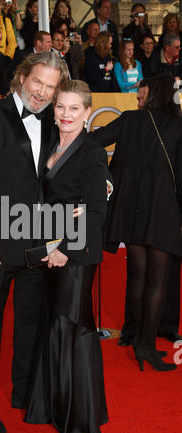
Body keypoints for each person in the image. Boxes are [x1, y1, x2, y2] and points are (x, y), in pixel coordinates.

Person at [0, 51, 68, 433]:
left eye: (50, 87)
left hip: (38, 245)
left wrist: (100, 182)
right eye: (38, 82)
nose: (41, 92)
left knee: (31, 326)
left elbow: (65, 171)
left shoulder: (55, 123)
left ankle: (25, 394)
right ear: (23, 77)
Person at [24, 79, 109, 433]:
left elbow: (95, 211)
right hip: (52, 247)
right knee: (56, 324)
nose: (65, 114)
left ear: (88, 112)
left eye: (74, 108)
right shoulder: (51, 141)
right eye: (61, 106)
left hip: (76, 254)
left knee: (73, 326)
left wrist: (66, 249)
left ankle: (79, 417)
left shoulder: (91, 151)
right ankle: (53, 406)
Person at [90, 74, 182, 371]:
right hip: (163, 208)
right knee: (158, 279)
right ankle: (146, 346)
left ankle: (134, 334)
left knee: (138, 274)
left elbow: (93, 142)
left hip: (130, 207)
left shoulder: (129, 119)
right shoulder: (178, 124)